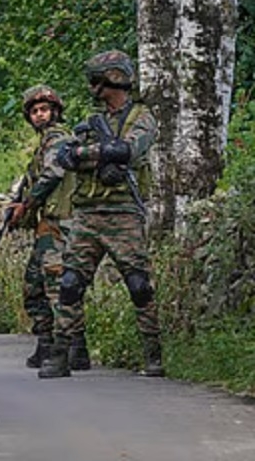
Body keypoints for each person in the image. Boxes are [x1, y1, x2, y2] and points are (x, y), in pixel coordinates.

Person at [40, 50, 163, 379]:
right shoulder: (90, 124)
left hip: (123, 213)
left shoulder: (142, 117)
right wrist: (96, 155)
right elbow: (66, 158)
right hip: (88, 214)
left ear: (115, 78)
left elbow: (126, 150)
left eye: (98, 79)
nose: (93, 87)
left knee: (139, 285)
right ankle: (61, 353)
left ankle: (153, 354)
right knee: (70, 283)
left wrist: (90, 155)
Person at [5, 85, 88, 369]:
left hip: (62, 222)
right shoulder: (45, 144)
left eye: (44, 110)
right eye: (35, 111)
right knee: (34, 286)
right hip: (49, 223)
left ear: (55, 112)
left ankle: (74, 348)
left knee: (57, 285)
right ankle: (47, 342)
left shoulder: (59, 139)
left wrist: (26, 205)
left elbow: (52, 174)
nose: (40, 115)